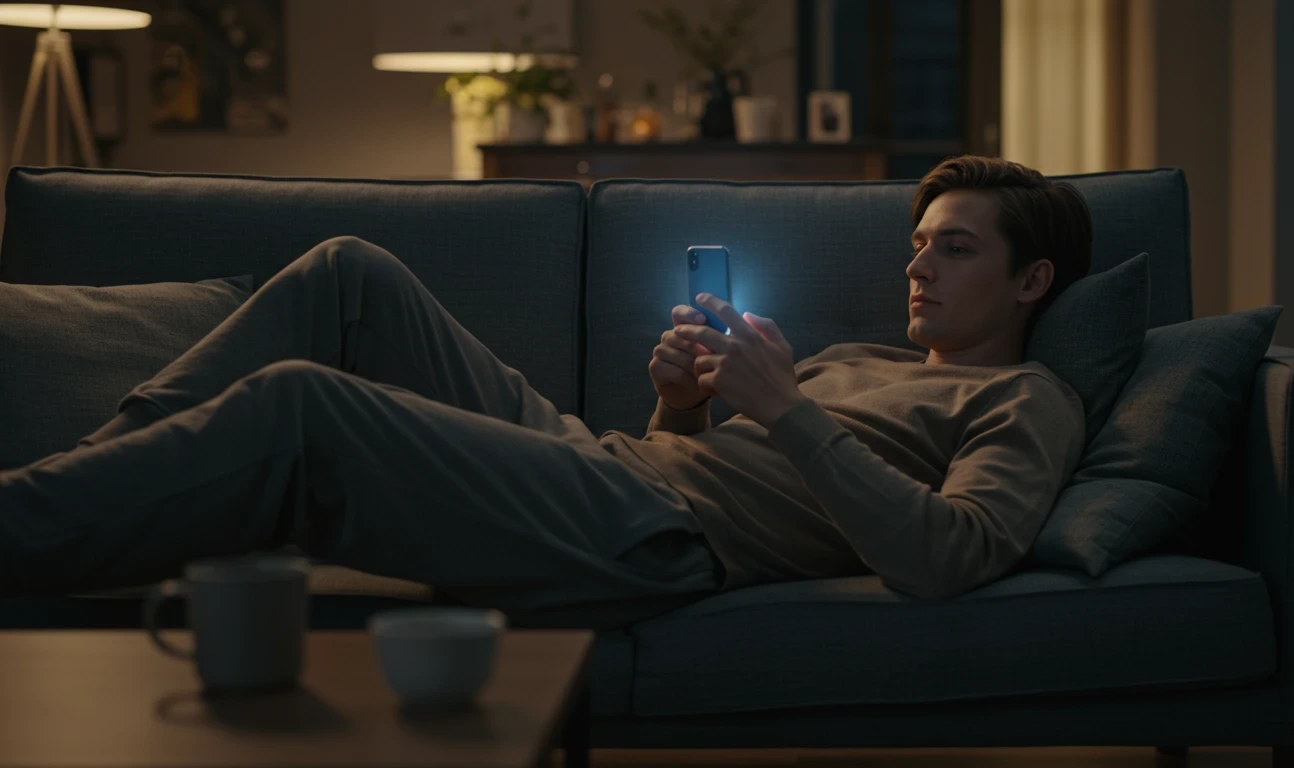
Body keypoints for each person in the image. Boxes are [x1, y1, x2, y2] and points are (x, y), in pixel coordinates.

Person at [0, 155, 1092, 629]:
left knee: (304, 404)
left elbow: (950, 555)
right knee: (349, 273)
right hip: (608, 466)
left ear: (1030, 280)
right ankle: (77, 483)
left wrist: (790, 411)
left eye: (951, 251)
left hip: (649, 536)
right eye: (917, 247)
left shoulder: (1023, 402)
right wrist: (683, 404)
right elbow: (707, 457)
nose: (916, 269)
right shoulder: (875, 360)